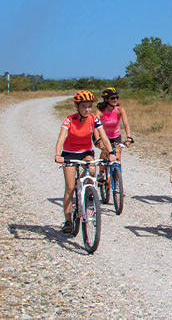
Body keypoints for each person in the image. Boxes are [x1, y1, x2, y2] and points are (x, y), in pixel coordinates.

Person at [55, 90, 114, 234]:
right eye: (83, 107)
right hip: (69, 153)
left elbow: (104, 137)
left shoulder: (94, 119)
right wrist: (58, 154)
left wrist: (111, 152)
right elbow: (61, 138)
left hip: (86, 152)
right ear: (77, 107)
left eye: (89, 106)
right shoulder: (69, 120)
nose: (87, 109)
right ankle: (68, 220)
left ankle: (85, 190)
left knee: (92, 171)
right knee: (69, 188)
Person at [97, 87, 134, 162]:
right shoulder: (100, 111)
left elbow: (126, 123)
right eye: (112, 98)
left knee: (118, 152)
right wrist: (98, 139)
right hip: (103, 136)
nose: (115, 100)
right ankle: (101, 172)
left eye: (117, 97)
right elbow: (95, 126)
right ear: (106, 99)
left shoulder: (120, 109)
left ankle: (117, 172)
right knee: (105, 151)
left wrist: (128, 137)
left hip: (115, 135)